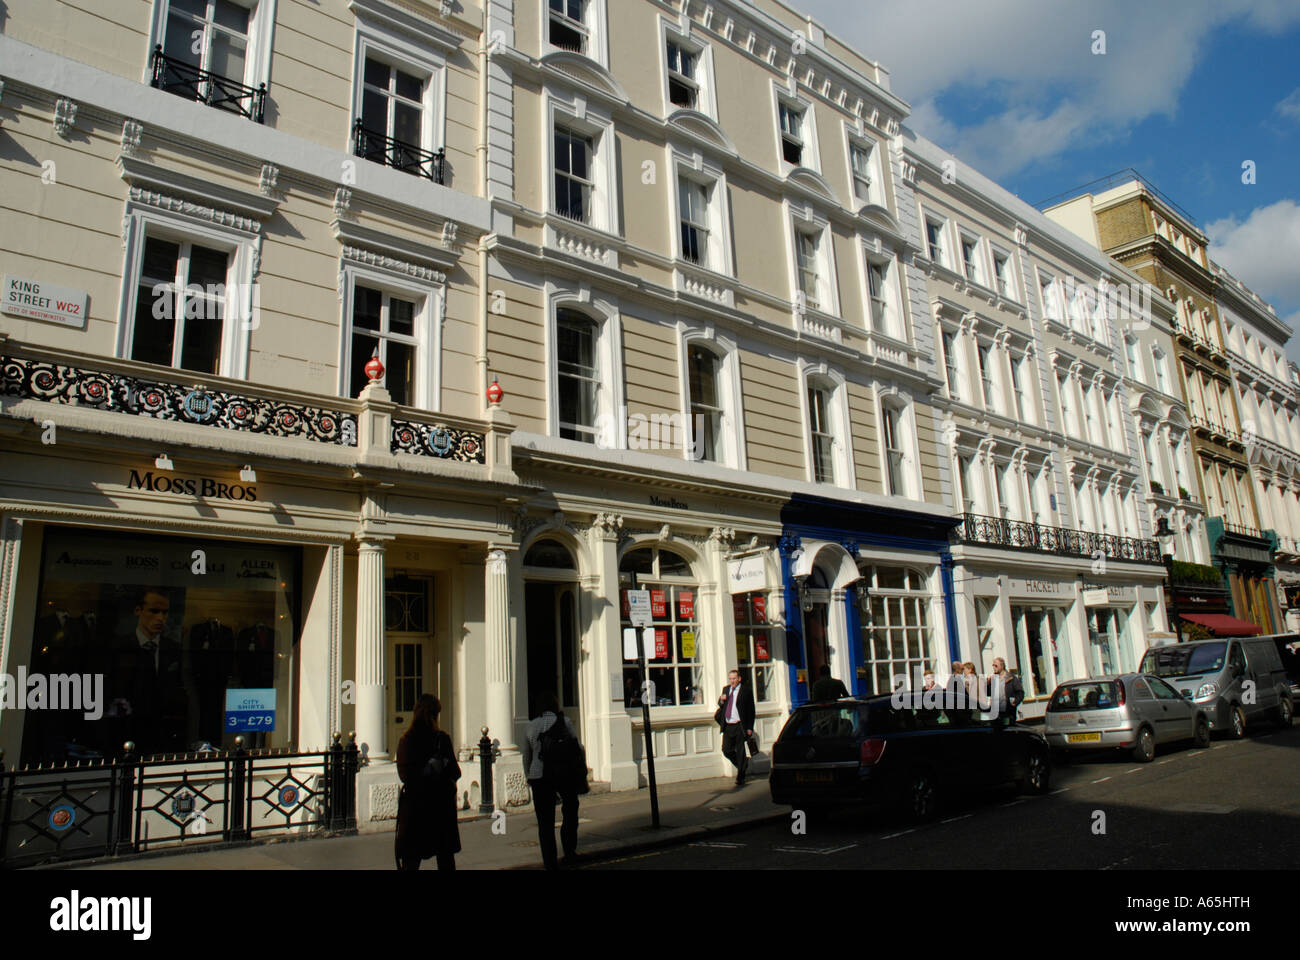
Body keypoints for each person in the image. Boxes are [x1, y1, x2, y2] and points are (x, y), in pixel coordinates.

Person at [395, 694, 461, 871]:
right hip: (440, 807)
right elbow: (456, 772)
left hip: (416, 809)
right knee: (445, 859)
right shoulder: (442, 739)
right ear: (434, 715)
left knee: (411, 861)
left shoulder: (406, 740)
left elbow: (405, 776)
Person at [522, 692, 584, 870]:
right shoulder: (565, 723)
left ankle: (550, 862)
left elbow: (527, 756)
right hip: (564, 774)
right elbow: (577, 748)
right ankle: (569, 852)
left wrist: (529, 776)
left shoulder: (531, 727)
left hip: (540, 777)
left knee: (545, 823)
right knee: (570, 813)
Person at [716, 669, 755, 787]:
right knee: (726, 750)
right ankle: (742, 765)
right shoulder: (726, 689)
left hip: (739, 725)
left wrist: (749, 727)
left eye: (734, 679)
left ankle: (741, 777)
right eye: (730, 679)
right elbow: (721, 704)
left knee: (740, 751)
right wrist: (721, 700)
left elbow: (751, 710)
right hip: (728, 725)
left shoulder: (746, 691)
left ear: (739, 679)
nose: (732, 681)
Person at [992, 657, 1024, 724]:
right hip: (996, 712)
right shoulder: (993, 679)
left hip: (1008, 712)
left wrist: (1015, 701)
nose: (994, 667)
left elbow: (1020, 692)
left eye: (996, 666)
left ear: (1002, 666)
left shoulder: (1011, 678)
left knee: (1008, 730)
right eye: (993, 665)